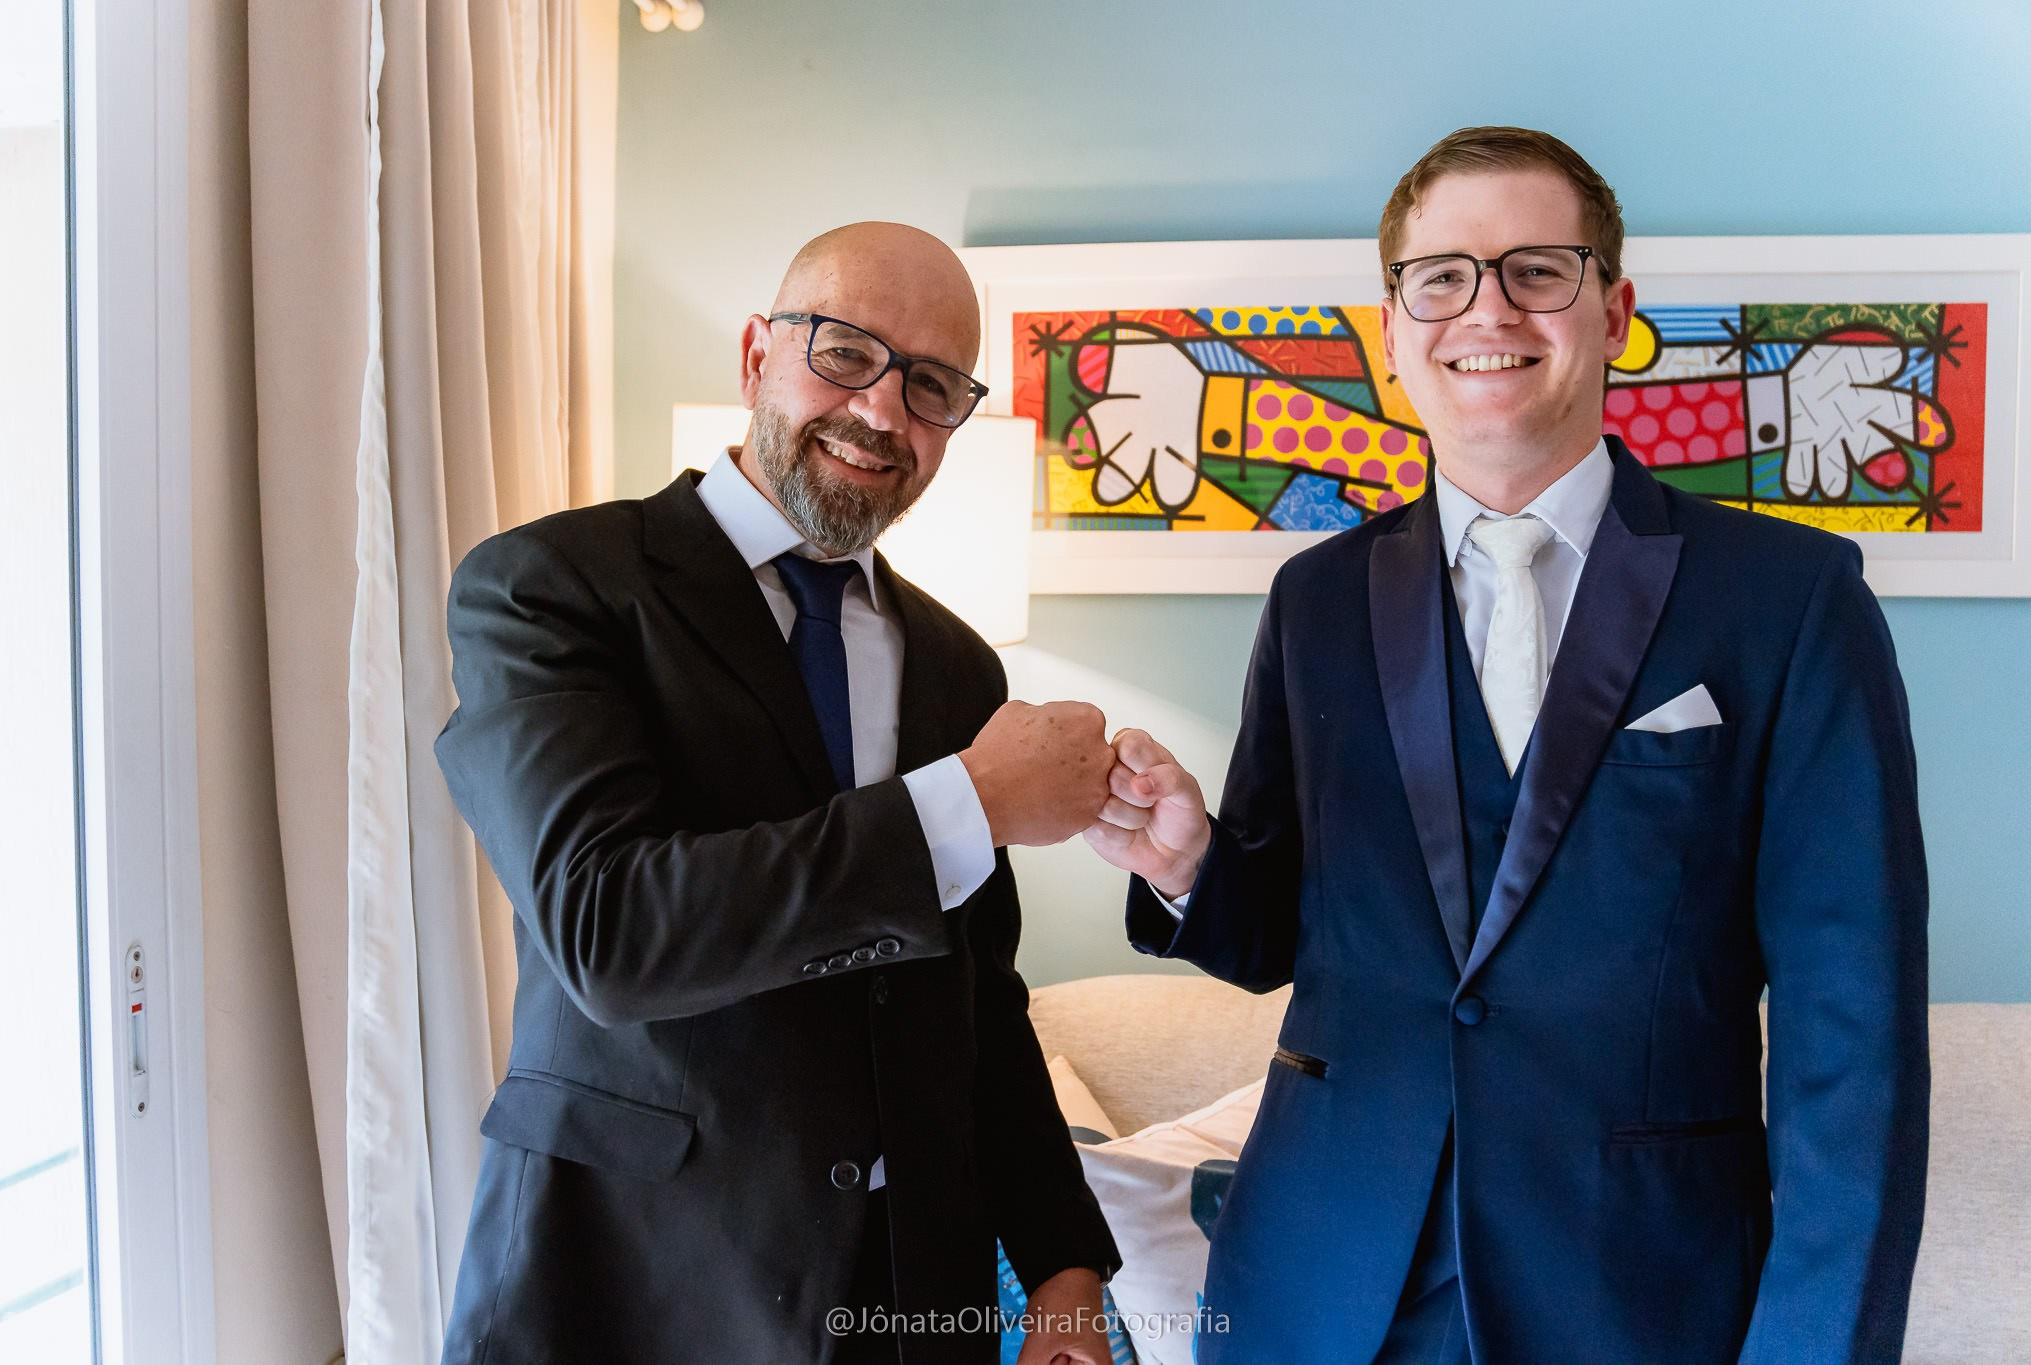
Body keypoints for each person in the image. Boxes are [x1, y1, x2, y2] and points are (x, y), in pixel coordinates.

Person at [1086, 127, 1929, 1363]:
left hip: (1639, 1291)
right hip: (1313, 1288)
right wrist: (1184, 862)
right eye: (1440, 276)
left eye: (1535, 269)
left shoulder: (1789, 599)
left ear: (1611, 309)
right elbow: (1276, 938)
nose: (1485, 308)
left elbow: (1849, 1036)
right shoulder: (1314, 598)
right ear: (1390, 329)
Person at [436, 221, 1120, 1364]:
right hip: (627, 1284)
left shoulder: (957, 666)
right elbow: (610, 934)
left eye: (933, 386)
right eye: (845, 354)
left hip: (905, 1301)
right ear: (756, 354)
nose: (882, 412)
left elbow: (978, 1006)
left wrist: (1060, 1263)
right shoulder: (548, 587)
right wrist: (969, 804)